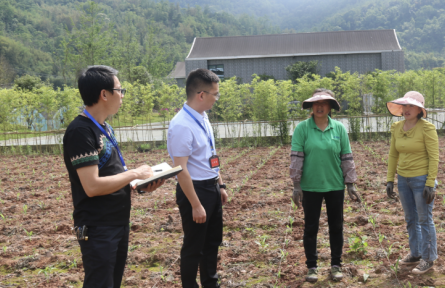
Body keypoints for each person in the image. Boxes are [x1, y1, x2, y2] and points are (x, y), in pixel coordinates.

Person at [63, 65, 164, 288]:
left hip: (117, 221)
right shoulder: (81, 131)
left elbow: (112, 174)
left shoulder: (104, 127)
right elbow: (92, 186)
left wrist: (138, 184)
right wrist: (134, 173)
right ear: (104, 94)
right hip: (98, 226)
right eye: (120, 90)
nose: (122, 96)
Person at [289, 88, 360, 282]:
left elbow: (347, 157)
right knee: (311, 227)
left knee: (336, 226)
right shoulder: (302, 129)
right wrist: (296, 185)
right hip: (310, 187)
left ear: (330, 107)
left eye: (324, 103)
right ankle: (312, 267)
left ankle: (336, 265)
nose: (320, 106)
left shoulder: (338, 129)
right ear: (311, 106)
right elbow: (296, 158)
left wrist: (350, 183)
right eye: (316, 103)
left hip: (335, 186)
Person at [167, 68, 228, 288]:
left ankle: (210, 283)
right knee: (194, 246)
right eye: (215, 94)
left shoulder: (203, 117)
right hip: (194, 190)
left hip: (211, 187)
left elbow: (210, 154)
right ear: (201, 94)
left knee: (212, 242)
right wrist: (195, 204)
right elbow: (180, 169)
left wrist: (220, 184)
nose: (217, 98)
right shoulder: (181, 125)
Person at [386, 91, 439, 274]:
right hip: (403, 179)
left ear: (419, 110)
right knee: (410, 219)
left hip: (421, 180)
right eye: (405, 106)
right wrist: (389, 179)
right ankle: (416, 253)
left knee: (424, 219)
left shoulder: (427, 128)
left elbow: (434, 156)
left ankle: (429, 258)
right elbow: (394, 154)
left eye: (411, 106)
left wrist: (430, 183)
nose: (407, 109)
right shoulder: (397, 128)